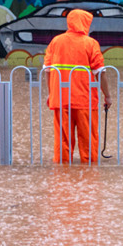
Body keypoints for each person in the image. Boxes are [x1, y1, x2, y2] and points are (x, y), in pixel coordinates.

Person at [44, 9, 113, 164]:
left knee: (62, 140)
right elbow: (100, 73)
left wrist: (51, 93)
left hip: (61, 99)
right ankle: (88, 175)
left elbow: (48, 71)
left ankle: (62, 175)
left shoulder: (56, 41)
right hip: (84, 100)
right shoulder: (90, 43)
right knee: (88, 140)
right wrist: (107, 95)